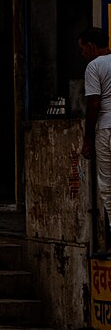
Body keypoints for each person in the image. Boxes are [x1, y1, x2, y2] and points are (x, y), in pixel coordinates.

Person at [82, 27, 111, 234]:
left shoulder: (94, 66)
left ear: (91, 46)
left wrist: (87, 139)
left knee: (107, 184)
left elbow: (93, 105)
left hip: (106, 128)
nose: (82, 53)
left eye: (82, 49)